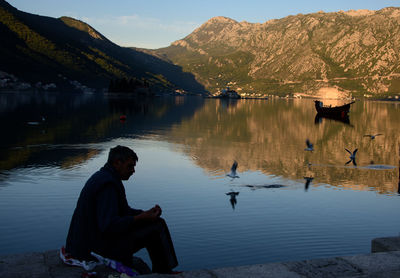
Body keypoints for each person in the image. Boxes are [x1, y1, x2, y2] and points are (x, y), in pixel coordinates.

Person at [65, 145, 179, 274]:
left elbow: (123, 211)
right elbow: (109, 226)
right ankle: (163, 272)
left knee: (155, 222)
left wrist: (144, 214)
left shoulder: (105, 177)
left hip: (91, 242)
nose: (133, 171)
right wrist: (140, 218)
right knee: (156, 227)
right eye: (130, 166)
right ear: (117, 163)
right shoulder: (107, 185)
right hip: (92, 250)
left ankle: (163, 270)